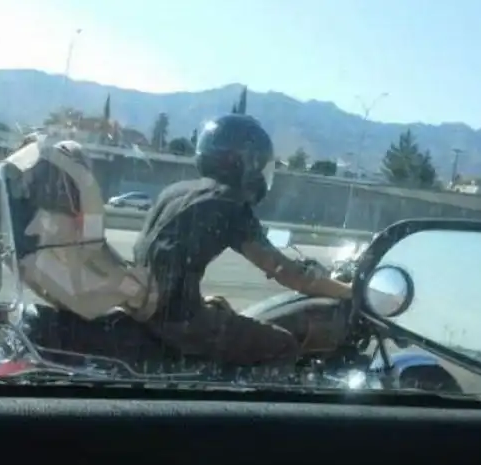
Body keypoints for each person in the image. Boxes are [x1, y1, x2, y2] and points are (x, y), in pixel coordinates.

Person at [133, 113, 353, 366]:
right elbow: (287, 273)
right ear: (246, 162)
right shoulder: (229, 204)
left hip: (147, 306)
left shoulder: (176, 191)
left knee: (226, 313)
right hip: (179, 322)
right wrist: (349, 291)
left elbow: (160, 258)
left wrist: (195, 301)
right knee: (283, 345)